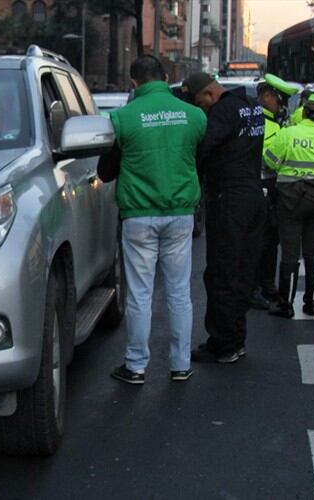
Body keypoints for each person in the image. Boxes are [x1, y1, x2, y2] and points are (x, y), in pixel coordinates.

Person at [100, 55, 207, 384]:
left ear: (133, 83)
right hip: (180, 214)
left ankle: (135, 366)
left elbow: (106, 171)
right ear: (166, 78)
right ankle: (180, 365)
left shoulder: (122, 118)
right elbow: (199, 159)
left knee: (140, 295)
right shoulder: (194, 116)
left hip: (138, 217)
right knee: (179, 293)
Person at [181, 72, 267, 364]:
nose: (201, 109)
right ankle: (236, 339)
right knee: (243, 272)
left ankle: (223, 344)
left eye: (199, 103)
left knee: (221, 272)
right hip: (254, 196)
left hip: (229, 199)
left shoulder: (222, 112)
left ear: (208, 95)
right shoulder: (252, 105)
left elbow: (203, 150)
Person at [264, 94, 314, 318]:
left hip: (290, 200)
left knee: (290, 253)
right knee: (313, 253)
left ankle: (286, 305)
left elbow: (269, 160)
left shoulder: (288, 133)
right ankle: (312, 303)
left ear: (305, 112)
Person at [250, 74, 298, 310]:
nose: (283, 107)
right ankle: (255, 288)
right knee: (260, 241)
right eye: (281, 101)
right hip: (261, 187)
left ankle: (267, 285)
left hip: (272, 188)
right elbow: (265, 160)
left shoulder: (277, 123)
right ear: (268, 97)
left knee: (270, 241)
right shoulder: (261, 124)